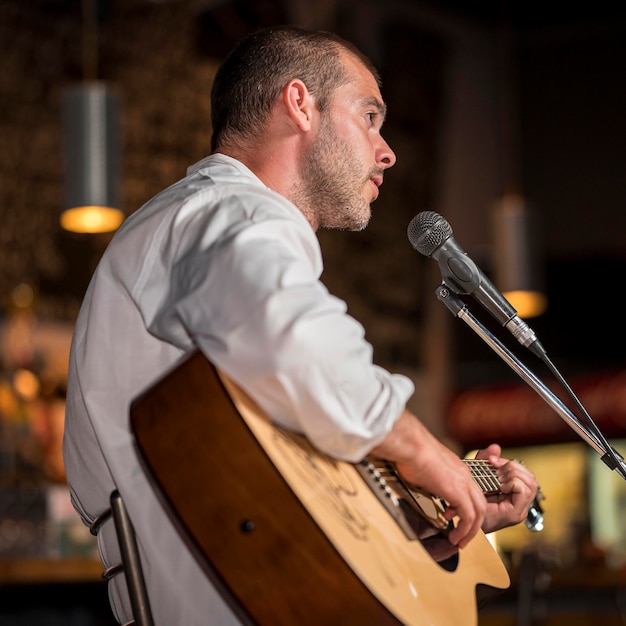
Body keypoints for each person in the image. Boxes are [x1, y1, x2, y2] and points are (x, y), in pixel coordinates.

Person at [63, 25, 539, 625]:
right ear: (300, 105)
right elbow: (291, 341)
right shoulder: (229, 207)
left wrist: (434, 512)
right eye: (369, 115)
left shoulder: (203, 223)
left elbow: (276, 483)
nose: (387, 149)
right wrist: (423, 450)